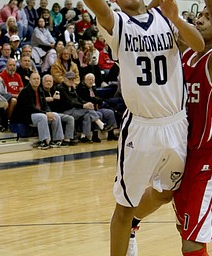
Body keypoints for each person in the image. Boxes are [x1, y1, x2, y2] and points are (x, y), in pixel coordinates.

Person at [83, 0, 205, 255]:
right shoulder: (118, 23)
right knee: (124, 207)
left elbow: (199, 44)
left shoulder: (165, 16)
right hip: (141, 129)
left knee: (165, 193)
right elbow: (97, 7)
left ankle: (134, 226)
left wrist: (177, 19)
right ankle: (125, 232)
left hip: (176, 124)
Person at [162, 0, 212, 255]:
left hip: (209, 157)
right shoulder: (187, 52)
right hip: (183, 154)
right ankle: (132, 225)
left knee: (192, 242)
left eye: (206, 16)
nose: (201, 19)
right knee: (187, 238)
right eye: (199, 15)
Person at [11, 72, 66, 149]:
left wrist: (48, 112)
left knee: (55, 115)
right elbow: (30, 108)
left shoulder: (40, 90)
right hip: (26, 116)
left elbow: (45, 105)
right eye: (34, 79)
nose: (36, 80)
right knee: (42, 117)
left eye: (37, 79)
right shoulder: (25, 91)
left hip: (38, 114)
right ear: (30, 80)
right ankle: (44, 141)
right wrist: (46, 113)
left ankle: (57, 140)